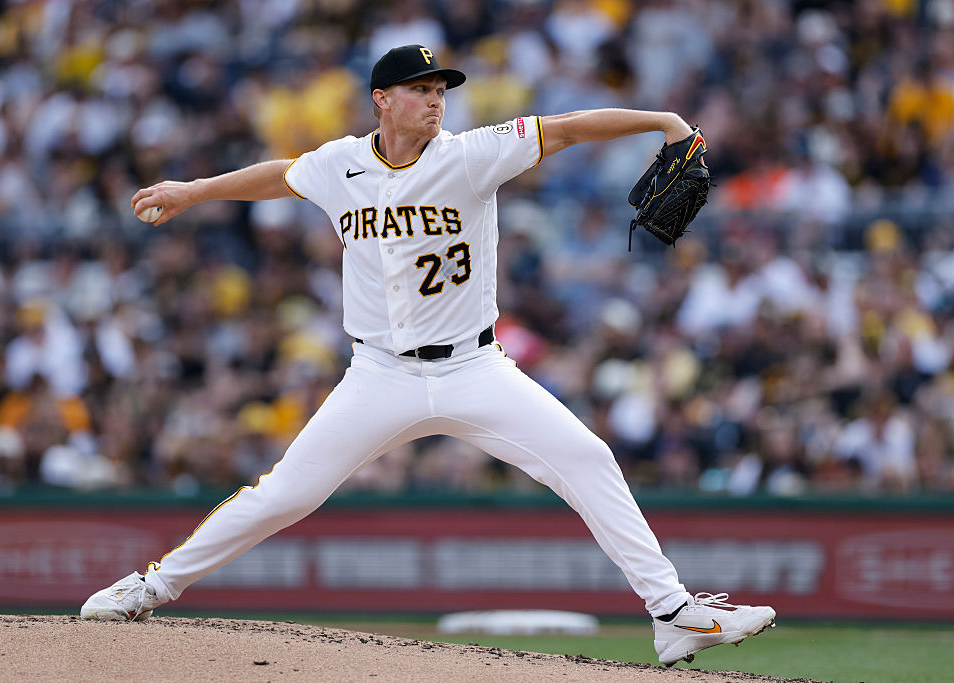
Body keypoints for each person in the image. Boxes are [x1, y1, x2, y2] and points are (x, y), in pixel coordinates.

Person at [80, 45, 775, 667]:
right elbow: (283, 175)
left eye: (441, 89)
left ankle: (673, 614)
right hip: (378, 374)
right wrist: (194, 191)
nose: (436, 99)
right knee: (284, 495)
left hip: (474, 368)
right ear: (382, 99)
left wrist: (662, 120)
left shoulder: (472, 153)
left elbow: (566, 127)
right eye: (420, 89)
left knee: (587, 457)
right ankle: (151, 585)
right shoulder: (340, 164)